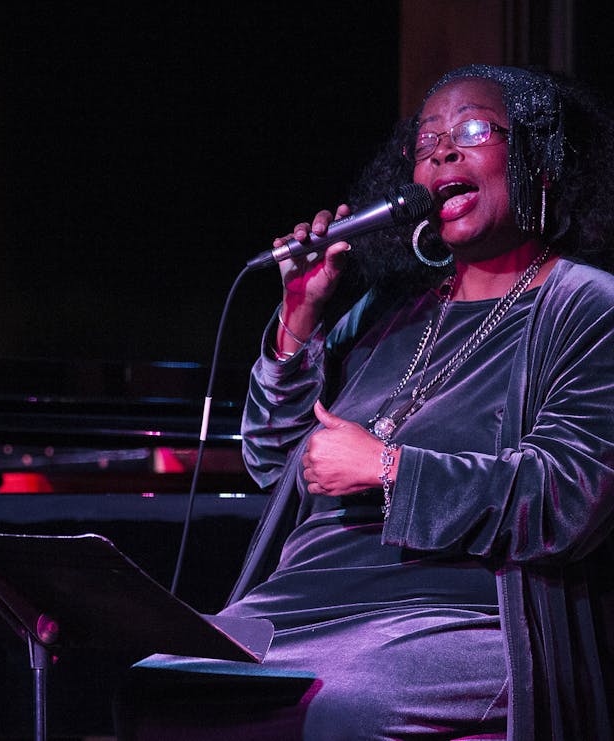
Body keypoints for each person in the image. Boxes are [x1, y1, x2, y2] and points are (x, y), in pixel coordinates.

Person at [118, 65, 614, 739]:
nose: (442, 151)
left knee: (339, 706)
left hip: (444, 618)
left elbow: (571, 494)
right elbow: (272, 461)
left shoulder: (585, 305)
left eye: (472, 130)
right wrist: (300, 319)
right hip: (296, 607)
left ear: (537, 156)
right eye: (427, 141)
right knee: (155, 684)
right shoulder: (389, 313)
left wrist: (388, 467)